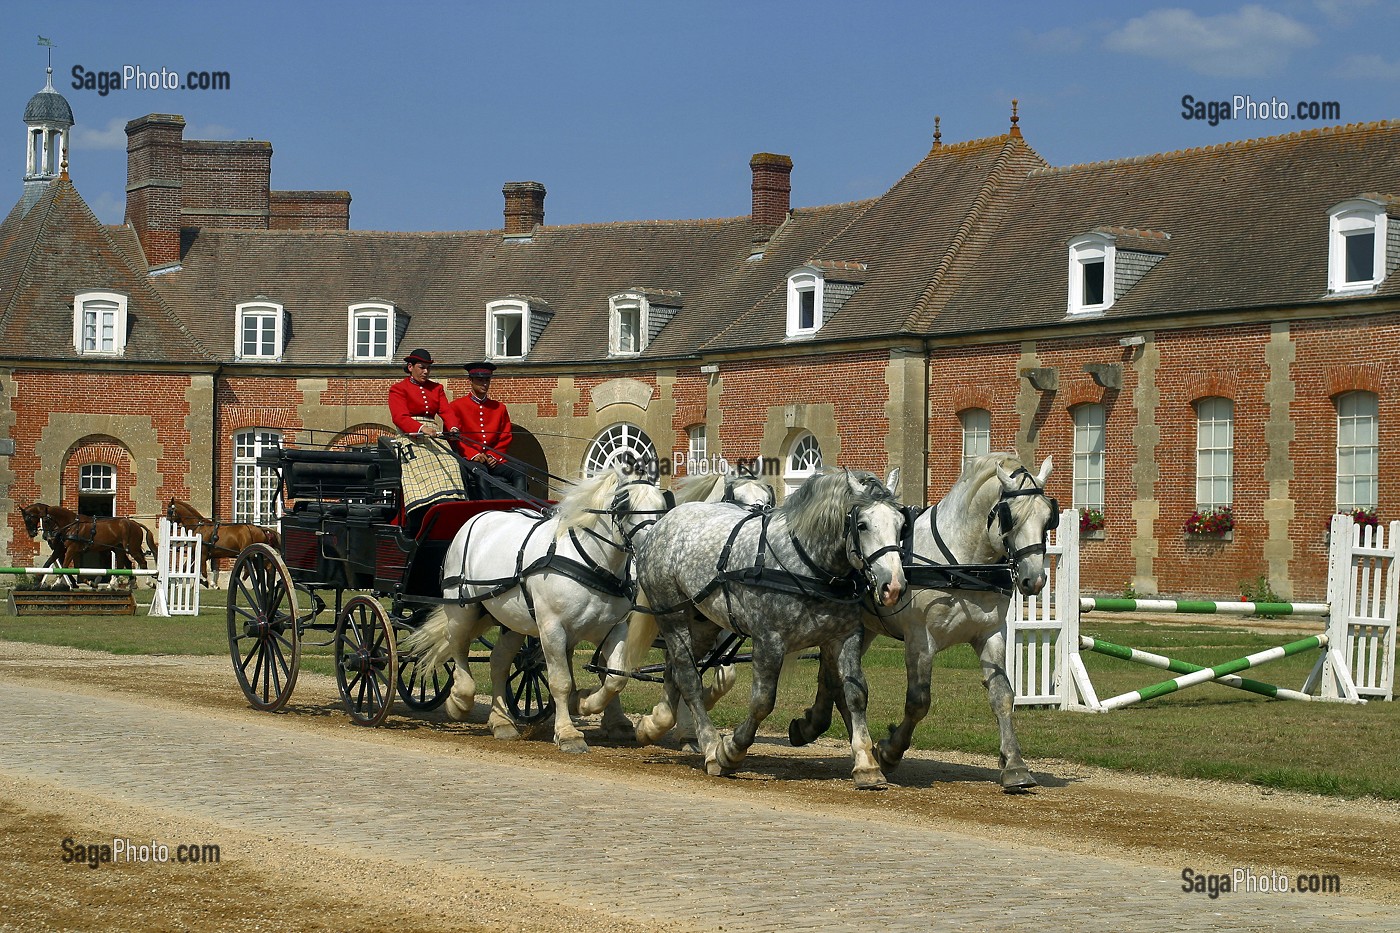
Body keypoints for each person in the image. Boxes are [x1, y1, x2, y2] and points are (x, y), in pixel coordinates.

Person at [447, 361, 528, 496]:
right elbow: (456, 438)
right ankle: (486, 510)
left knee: (520, 471)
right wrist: (473, 455)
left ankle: (521, 509)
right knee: (481, 472)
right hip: (470, 460)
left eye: (487, 380)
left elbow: (505, 436)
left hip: (494, 460)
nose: (484, 384)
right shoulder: (456, 406)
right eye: (480, 380)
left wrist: (493, 456)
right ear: (470, 380)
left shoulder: (499, 408)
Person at [388, 348, 459, 437]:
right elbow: (399, 417)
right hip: (409, 433)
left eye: (428, 368)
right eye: (422, 368)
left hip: (433, 431)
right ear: (410, 367)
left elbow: (447, 412)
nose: (426, 372)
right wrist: (422, 428)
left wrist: (453, 427)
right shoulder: (398, 389)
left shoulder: (437, 388)